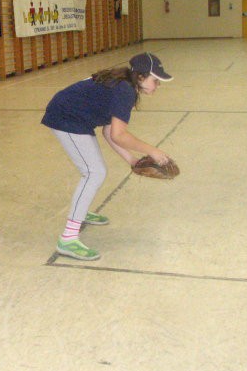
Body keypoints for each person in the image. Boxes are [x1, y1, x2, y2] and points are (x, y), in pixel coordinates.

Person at [41, 52, 174, 261]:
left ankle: (80, 210)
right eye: (156, 80)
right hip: (65, 117)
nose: (158, 85)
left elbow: (109, 132)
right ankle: (67, 239)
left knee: (95, 171)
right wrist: (152, 151)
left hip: (74, 116)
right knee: (94, 173)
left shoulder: (126, 85)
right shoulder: (125, 91)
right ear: (141, 76)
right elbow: (119, 135)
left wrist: (131, 160)